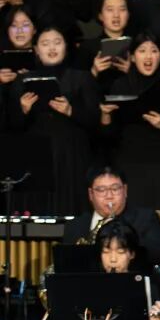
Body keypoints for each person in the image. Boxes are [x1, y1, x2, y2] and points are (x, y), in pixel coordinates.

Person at [9, 27, 99, 212]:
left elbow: (95, 121)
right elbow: (12, 125)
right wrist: (23, 110)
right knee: (37, 211)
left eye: (57, 42)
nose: (52, 48)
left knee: (70, 206)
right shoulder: (23, 80)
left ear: (66, 46)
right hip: (35, 154)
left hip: (71, 154)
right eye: (45, 43)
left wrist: (71, 111)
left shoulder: (82, 78)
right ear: (36, 49)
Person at [99, 32, 160, 210]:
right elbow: (108, 136)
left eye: (154, 51)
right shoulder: (121, 85)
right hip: (129, 163)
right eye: (142, 51)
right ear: (132, 57)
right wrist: (105, 116)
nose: (148, 56)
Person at [62, 164, 160, 262]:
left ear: (125, 190)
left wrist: (125, 235)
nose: (109, 196)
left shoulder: (145, 218)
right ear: (91, 194)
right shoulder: (74, 226)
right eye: (101, 190)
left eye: (115, 188)